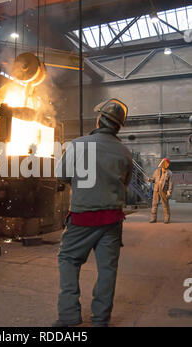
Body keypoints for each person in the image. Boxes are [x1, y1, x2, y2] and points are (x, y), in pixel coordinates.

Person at [53, 99, 133, 327]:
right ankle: (101, 320)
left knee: (68, 260)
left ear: (99, 120)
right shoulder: (125, 152)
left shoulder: (78, 145)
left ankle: (69, 317)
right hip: (112, 219)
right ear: (118, 126)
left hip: (82, 218)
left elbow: (62, 176)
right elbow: (124, 183)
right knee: (107, 270)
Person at [148, 158, 173, 224]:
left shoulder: (169, 173)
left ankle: (166, 218)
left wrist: (169, 191)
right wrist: (150, 179)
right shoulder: (157, 171)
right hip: (156, 190)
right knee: (154, 204)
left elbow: (170, 183)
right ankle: (153, 218)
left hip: (164, 191)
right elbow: (154, 179)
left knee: (165, 205)